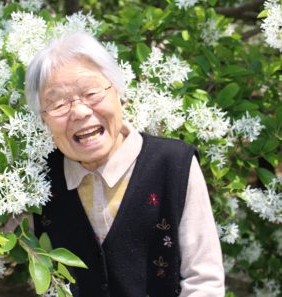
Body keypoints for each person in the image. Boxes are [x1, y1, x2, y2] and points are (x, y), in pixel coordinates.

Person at [24, 32, 224, 297]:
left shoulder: (174, 164)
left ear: (118, 91)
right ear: (44, 119)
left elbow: (204, 282)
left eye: (91, 92)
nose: (81, 112)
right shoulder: (36, 179)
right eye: (58, 103)